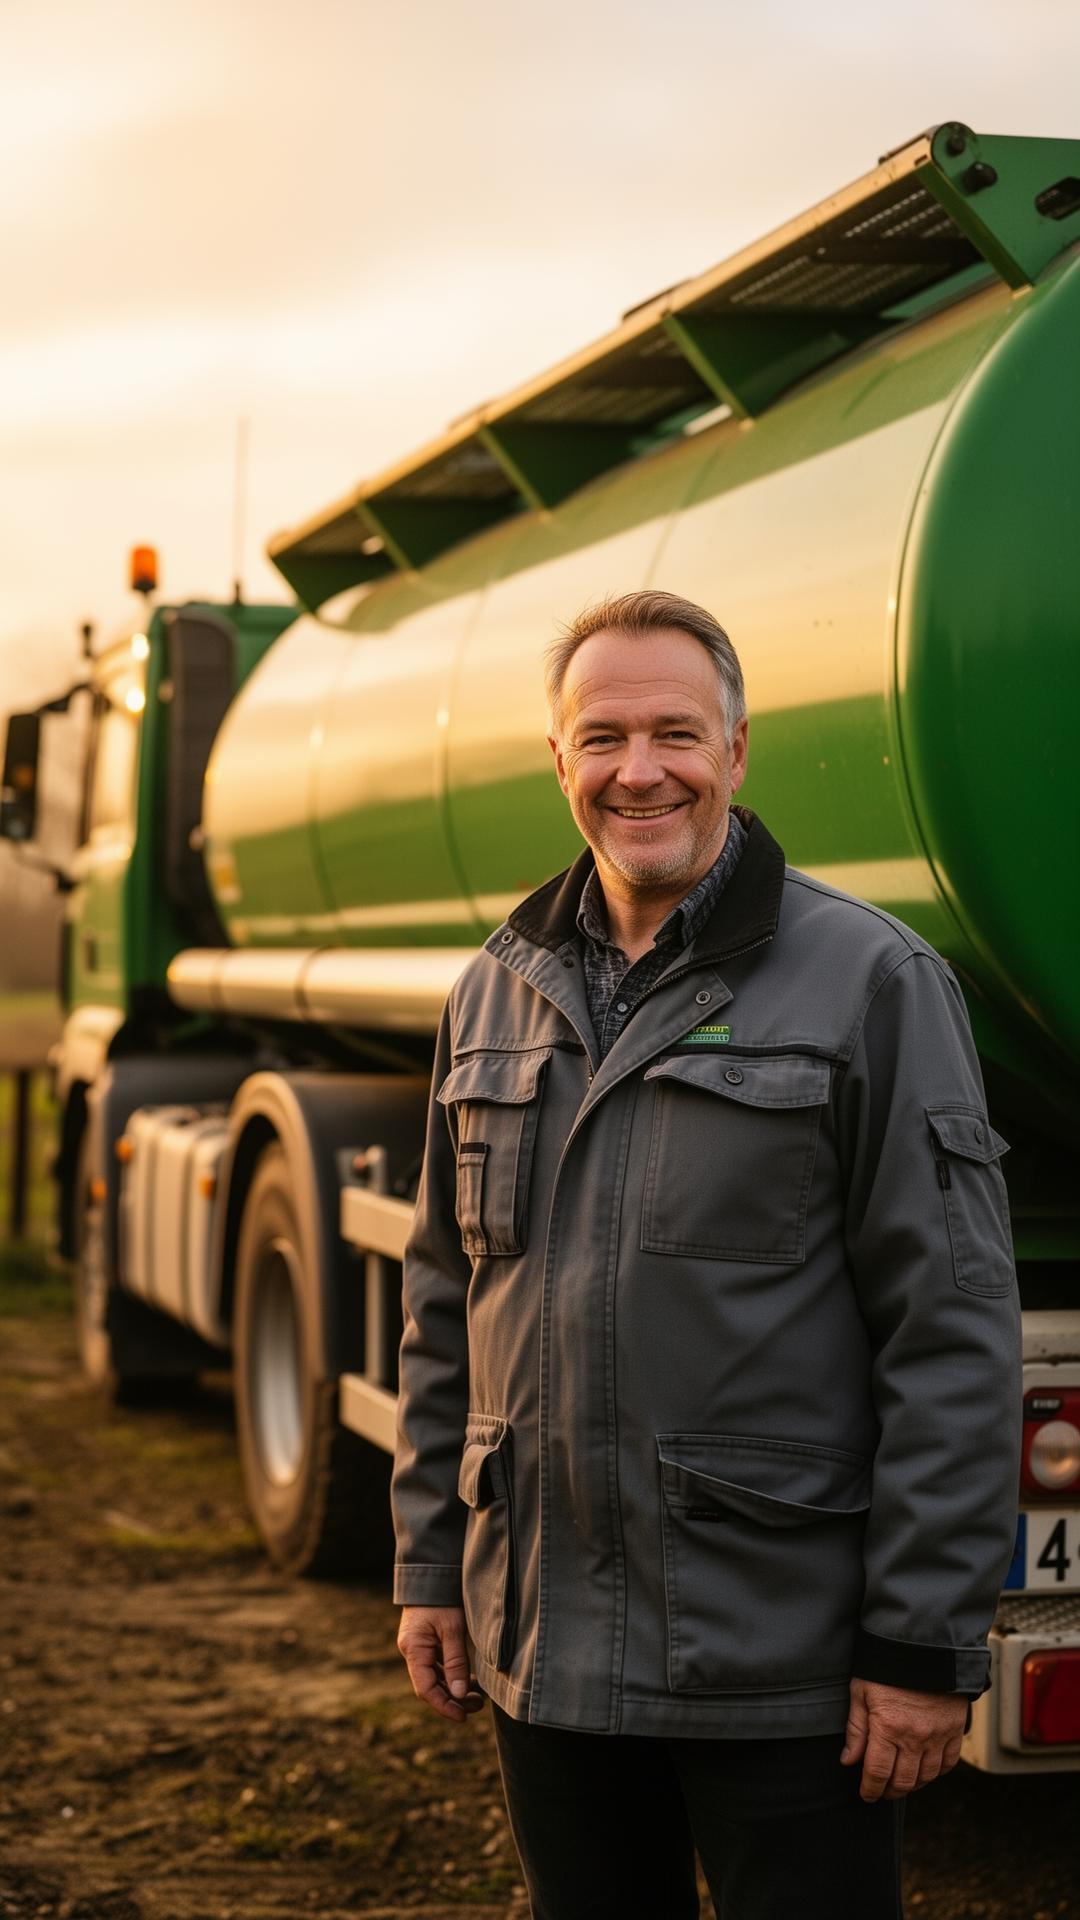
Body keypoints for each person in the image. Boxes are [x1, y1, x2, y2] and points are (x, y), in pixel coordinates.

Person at [391, 590, 1021, 1919]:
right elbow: (448, 1301)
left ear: (737, 751)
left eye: (675, 732)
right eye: (602, 737)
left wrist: (919, 1642)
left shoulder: (873, 982)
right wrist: (433, 1569)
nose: (639, 770)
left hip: (779, 1670)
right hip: (544, 1652)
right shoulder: (493, 988)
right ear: (558, 760)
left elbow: (951, 1331)